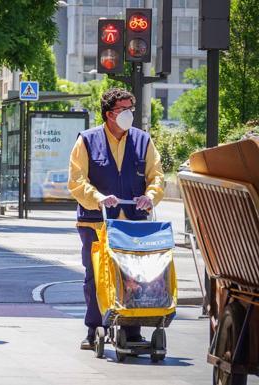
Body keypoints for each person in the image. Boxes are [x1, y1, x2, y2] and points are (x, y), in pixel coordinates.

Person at [67, 88, 165, 350]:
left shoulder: (144, 141)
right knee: (96, 276)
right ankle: (94, 328)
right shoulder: (87, 141)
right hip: (95, 222)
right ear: (110, 114)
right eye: (123, 110)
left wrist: (150, 196)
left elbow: (156, 176)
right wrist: (97, 197)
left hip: (132, 223)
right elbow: (77, 180)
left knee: (133, 276)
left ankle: (132, 330)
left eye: (131, 109)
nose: (129, 114)